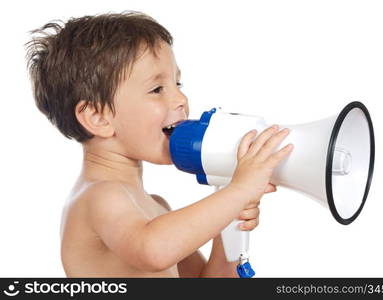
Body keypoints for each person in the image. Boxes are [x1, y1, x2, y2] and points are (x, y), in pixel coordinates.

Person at [25, 11, 293, 277]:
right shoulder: (98, 197)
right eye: (157, 89)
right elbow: (152, 251)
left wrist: (230, 223)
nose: (181, 99)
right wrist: (238, 191)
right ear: (98, 117)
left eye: (178, 83)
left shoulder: (156, 207)